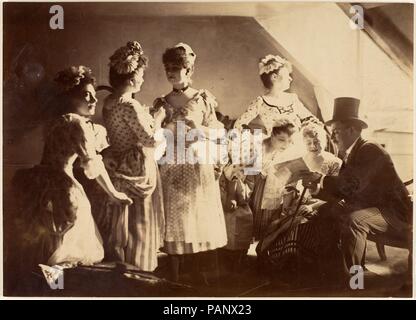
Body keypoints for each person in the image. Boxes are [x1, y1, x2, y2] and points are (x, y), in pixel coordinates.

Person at [10, 66, 132, 282]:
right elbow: (92, 165)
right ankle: (58, 289)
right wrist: (114, 194)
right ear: (69, 97)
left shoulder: (59, 121)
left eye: (94, 95)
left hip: (42, 182)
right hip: (63, 189)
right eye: (86, 95)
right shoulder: (76, 124)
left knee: (51, 247)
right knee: (66, 250)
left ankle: (52, 290)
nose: (93, 100)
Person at [301, 97, 412, 277]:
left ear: (351, 129)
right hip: (372, 206)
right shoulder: (352, 152)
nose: (333, 137)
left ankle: (355, 281)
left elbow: (350, 185)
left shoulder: (370, 150)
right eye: (332, 132)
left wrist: (320, 178)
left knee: (356, 220)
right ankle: (331, 268)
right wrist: (317, 191)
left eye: (336, 131)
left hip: (394, 212)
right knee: (328, 210)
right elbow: (343, 191)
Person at [153, 43, 227, 284]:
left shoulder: (201, 98)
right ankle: (173, 275)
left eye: (176, 68)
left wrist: (201, 129)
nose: (171, 73)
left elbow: (217, 131)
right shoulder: (161, 102)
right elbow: (155, 135)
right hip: (171, 164)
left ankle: (195, 271)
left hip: (195, 164)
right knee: (174, 217)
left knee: (194, 217)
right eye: (167, 68)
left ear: (189, 69)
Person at [101, 41, 166, 272]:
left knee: (125, 217)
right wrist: (158, 118)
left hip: (119, 162)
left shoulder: (109, 103)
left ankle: (125, 266)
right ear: (131, 78)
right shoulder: (129, 104)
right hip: (137, 164)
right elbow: (150, 140)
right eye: (141, 75)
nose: (143, 80)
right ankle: (141, 268)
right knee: (141, 218)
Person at [234, 54, 318, 137]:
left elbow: (310, 118)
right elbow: (238, 125)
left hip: (298, 144)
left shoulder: (293, 98)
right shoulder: (261, 101)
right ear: (274, 77)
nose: (290, 78)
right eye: (287, 75)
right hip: (276, 147)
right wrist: (257, 139)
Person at [249, 118, 297, 240]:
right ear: (272, 135)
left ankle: (264, 248)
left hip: (276, 191)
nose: (286, 144)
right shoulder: (258, 147)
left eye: (290, 141)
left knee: (270, 226)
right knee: (252, 224)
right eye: (281, 140)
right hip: (256, 188)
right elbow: (248, 172)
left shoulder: (288, 151)